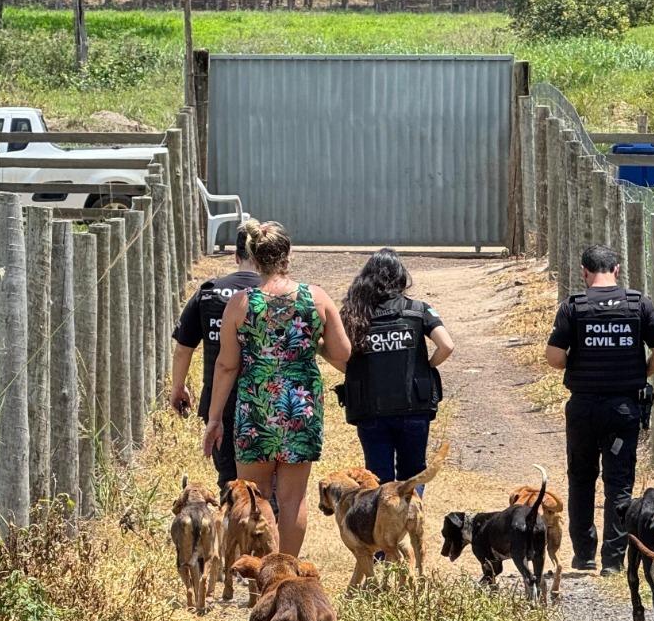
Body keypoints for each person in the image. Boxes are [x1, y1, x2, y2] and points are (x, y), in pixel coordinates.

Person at [204, 220, 350, 558]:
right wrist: (309, 345)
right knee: (293, 497)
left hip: (256, 406)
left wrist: (215, 419)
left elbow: (226, 365)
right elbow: (343, 355)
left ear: (253, 257)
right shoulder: (315, 297)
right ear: (288, 255)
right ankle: (285, 570)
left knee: (256, 495)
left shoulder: (241, 304)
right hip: (301, 407)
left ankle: (262, 566)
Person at [544, 244, 654, 574]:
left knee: (581, 479)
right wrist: (637, 373)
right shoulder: (637, 304)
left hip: (583, 408)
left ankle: (583, 554)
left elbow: (555, 358)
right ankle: (613, 561)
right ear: (616, 271)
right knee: (619, 483)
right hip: (623, 409)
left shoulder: (574, 307)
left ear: (584, 272)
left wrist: (582, 364)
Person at [337, 248, 455, 484]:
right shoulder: (418, 310)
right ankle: (412, 520)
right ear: (401, 277)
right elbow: (447, 345)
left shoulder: (354, 315)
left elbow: (337, 353)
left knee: (378, 480)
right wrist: (426, 366)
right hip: (413, 406)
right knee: (412, 477)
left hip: (370, 410)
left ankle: (384, 520)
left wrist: (353, 371)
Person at [169, 225, 261, 504]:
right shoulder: (274, 294)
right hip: (265, 398)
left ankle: (233, 535)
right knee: (267, 481)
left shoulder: (208, 294)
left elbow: (183, 349)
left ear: (236, 255)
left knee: (229, 479)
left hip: (220, 401)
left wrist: (178, 387)